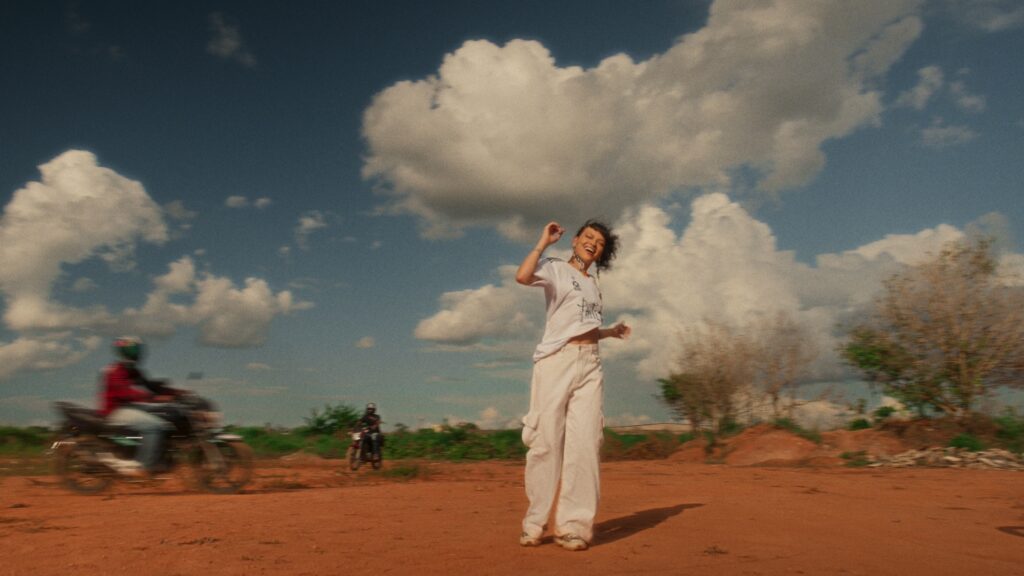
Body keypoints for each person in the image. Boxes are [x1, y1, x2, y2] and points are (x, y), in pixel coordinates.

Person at [515, 219, 631, 551]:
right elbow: (522, 277)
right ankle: (535, 522)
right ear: (576, 240)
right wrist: (543, 243)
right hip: (556, 361)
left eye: (600, 242)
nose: (593, 243)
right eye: (588, 237)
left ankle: (572, 527)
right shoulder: (555, 268)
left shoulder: (593, 284)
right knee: (546, 442)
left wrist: (610, 332)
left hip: (590, 363)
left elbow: (583, 326)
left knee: (585, 443)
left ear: (602, 252)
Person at [98, 336, 180, 475]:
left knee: (165, 413)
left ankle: (158, 456)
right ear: (124, 351)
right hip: (115, 411)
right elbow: (125, 391)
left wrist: (176, 393)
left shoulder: (132, 370)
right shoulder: (114, 371)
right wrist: (153, 398)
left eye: (136, 350)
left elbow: (150, 385)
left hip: (129, 407)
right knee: (155, 426)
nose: (136, 353)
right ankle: (144, 466)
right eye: (132, 350)